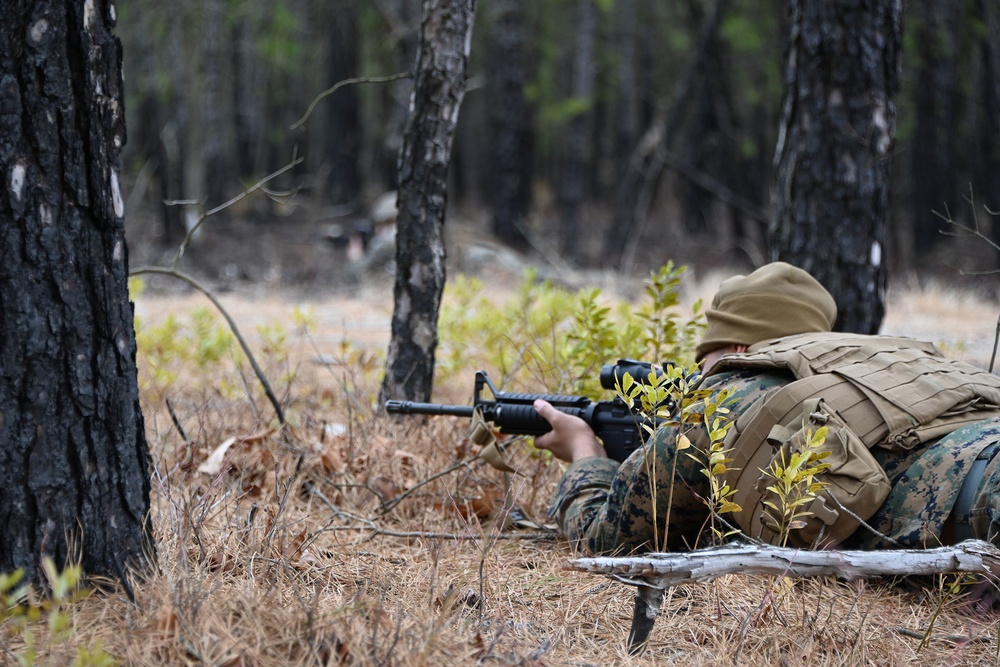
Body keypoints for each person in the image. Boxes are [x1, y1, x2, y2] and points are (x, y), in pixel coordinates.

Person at [533, 262, 1000, 555]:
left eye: (706, 361)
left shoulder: (720, 403)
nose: (698, 378)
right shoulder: (892, 360)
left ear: (737, 346)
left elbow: (603, 543)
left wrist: (583, 453)